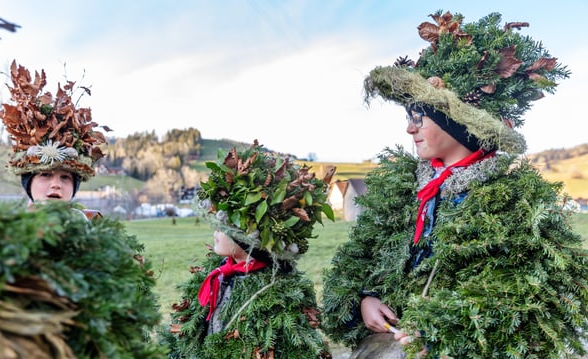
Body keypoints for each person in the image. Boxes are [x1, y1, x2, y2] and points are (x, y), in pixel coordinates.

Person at [321, 10, 588, 358]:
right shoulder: (404, 187)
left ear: (456, 123)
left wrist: (439, 328)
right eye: (408, 117)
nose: (409, 129)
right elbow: (362, 257)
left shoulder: (511, 200)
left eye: (419, 117)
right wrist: (366, 298)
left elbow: (516, 299)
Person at [164, 140, 335, 359]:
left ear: (248, 242)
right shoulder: (218, 275)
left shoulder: (272, 295)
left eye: (222, 228)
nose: (215, 233)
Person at [0, 60, 110, 219]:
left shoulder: (91, 225)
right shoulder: (8, 228)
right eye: (45, 174)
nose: (56, 185)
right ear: (28, 182)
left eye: (65, 177)